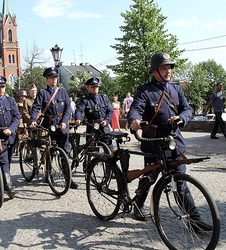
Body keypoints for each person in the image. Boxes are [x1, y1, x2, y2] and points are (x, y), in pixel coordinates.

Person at [128, 52, 210, 231]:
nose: (168, 71)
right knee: (149, 177)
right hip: (154, 142)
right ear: (154, 71)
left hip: (174, 142)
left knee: (180, 180)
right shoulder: (145, 91)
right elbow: (135, 109)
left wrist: (181, 118)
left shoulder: (176, 89)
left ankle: (194, 220)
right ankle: (137, 205)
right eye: (164, 68)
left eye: (169, 68)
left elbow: (187, 109)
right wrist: (134, 121)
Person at [29, 67, 78, 189]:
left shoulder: (62, 91)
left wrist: (65, 122)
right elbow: (36, 107)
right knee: (49, 151)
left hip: (62, 126)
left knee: (65, 153)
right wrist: (33, 120)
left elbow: (68, 108)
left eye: (55, 77)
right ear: (47, 79)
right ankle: (48, 173)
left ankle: (68, 179)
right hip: (49, 126)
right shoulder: (42, 93)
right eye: (51, 78)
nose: (54, 80)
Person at [74, 77, 114, 150]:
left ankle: (109, 161)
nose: (95, 88)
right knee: (90, 150)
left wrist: (107, 121)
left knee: (110, 150)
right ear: (88, 88)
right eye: (92, 87)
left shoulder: (104, 98)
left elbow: (110, 111)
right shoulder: (85, 100)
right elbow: (79, 110)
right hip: (92, 128)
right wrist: (78, 119)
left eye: (96, 86)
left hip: (104, 128)